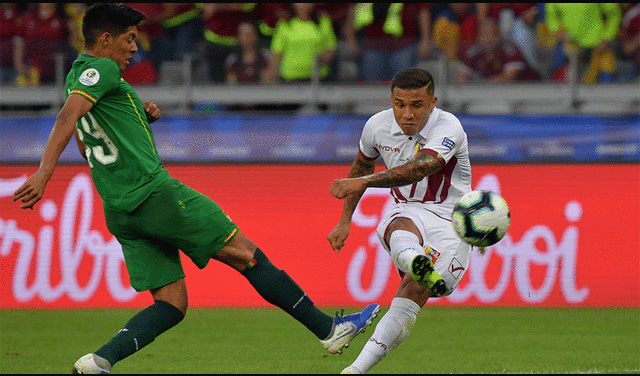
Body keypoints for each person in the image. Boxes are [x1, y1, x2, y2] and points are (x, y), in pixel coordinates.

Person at [10, 4, 379, 374]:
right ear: (105, 40)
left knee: (171, 303)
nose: (135, 49)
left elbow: (88, 135)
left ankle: (98, 361)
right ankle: (330, 329)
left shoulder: (76, 75)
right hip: (154, 194)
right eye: (129, 40)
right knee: (247, 256)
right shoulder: (103, 68)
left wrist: (141, 117)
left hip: (120, 209)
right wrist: (44, 172)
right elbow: (65, 118)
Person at [327, 68, 474, 374]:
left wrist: (364, 182)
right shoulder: (376, 126)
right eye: (399, 104)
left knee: (417, 294)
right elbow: (359, 167)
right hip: (407, 208)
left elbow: (419, 169)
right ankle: (354, 371)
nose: (407, 114)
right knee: (399, 226)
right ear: (391, 101)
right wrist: (345, 220)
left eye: (417, 105)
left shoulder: (449, 127)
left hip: (451, 218)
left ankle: (417, 263)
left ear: (432, 102)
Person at [342, 3, 432, 82]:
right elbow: (353, 9)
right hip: (372, 46)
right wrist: (350, 40)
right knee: (371, 89)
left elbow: (423, 10)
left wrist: (425, 40)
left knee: (403, 86)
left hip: (403, 46)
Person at [545, 3, 622, 83]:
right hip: (571, 46)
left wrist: (606, 38)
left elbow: (614, 13)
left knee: (606, 81)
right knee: (554, 79)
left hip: (597, 47)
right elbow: (550, 17)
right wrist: (557, 31)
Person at [456, 18, 540, 83]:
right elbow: (460, 78)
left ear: (499, 36)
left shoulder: (510, 50)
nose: (488, 39)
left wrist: (481, 85)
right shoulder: (474, 51)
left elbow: (508, 78)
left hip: (531, 89)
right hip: (498, 93)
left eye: (493, 34)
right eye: (484, 35)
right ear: (478, 37)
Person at [271, 3, 337, 83]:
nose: (304, 4)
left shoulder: (323, 22)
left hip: (318, 77)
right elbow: (277, 53)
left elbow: (331, 47)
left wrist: (325, 57)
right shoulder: (285, 24)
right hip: (290, 77)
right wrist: (271, 76)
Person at [225, 20, 276, 85]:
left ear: (256, 35)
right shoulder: (232, 60)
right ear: (238, 37)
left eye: (249, 34)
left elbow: (268, 82)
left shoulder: (266, 57)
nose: (247, 37)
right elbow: (231, 85)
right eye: (243, 34)